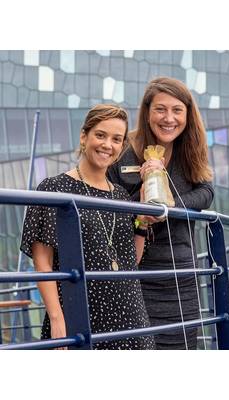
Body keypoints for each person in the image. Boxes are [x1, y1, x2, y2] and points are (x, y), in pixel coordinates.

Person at [20, 104, 155, 350]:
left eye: (116, 139)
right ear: (84, 136)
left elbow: (129, 262)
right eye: (100, 135)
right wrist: (57, 319)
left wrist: (142, 223)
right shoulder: (54, 188)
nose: (107, 145)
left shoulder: (122, 196)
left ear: (122, 146)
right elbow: (42, 262)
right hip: (80, 316)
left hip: (131, 318)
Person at [107, 77, 214, 350]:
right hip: (136, 272)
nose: (169, 118)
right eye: (160, 109)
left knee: (182, 346)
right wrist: (142, 198)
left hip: (181, 272)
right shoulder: (124, 151)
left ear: (188, 114)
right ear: (147, 111)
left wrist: (170, 209)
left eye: (177, 110)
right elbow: (108, 203)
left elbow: (206, 193)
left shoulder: (189, 148)